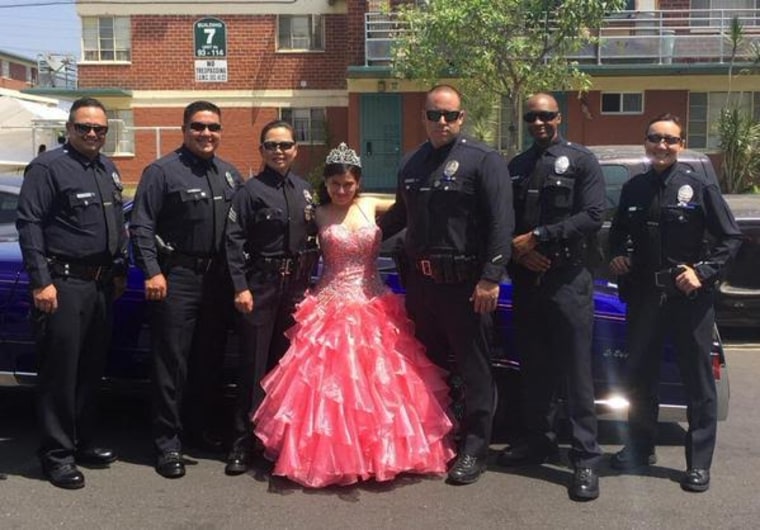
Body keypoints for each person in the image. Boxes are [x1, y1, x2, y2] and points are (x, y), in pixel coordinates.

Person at [251, 143, 455, 488]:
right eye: (335, 185)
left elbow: (419, 205)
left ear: (357, 182)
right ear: (326, 185)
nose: (342, 190)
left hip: (374, 302)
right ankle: (329, 457)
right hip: (330, 303)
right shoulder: (317, 214)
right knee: (328, 389)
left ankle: (384, 454)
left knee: (383, 385)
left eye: (347, 184)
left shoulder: (372, 203)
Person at [379, 84, 513, 485]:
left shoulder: (483, 160)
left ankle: (475, 448)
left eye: (450, 115)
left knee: (475, 371)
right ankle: (437, 441)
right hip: (422, 288)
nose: (442, 122)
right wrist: (354, 233)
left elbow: (501, 224)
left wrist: (491, 277)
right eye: (434, 114)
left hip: (466, 287)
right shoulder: (412, 163)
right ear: (423, 117)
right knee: (430, 369)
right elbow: (399, 217)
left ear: (462, 117)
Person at [607, 114, 741, 493]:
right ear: (645, 142)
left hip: (689, 300)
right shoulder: (634, 189)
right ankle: (639, 447)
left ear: (680, 144)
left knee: (697, 383)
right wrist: (618, 254)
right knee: (640, 379)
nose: (661, 146)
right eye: (655, 139)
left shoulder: (698, 187)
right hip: (645, 298)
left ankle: (698, 463)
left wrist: (703, 271)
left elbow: (729, 239)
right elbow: (618, 233)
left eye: (670, 140)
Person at [497, 93, 605, 502]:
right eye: (531, 117)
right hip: (529, 281)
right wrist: (520, 256)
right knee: (535, 369)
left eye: (546, 115)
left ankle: (584, 459)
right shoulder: (517, 166)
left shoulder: (581, 161)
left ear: (559, 117)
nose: (539, 122)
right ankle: (538, 442)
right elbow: (505, 223)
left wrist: (541, 237)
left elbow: (593, 215)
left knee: (576, 373)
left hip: (568, 280)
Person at [16, 96, 128, 489]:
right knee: (59, 374)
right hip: (62, 284)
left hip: (98, 285)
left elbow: (117, 224)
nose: (93, 134)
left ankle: (81, 442)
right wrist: (40, 281)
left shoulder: (107, 168)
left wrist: (118, 269)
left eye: (100, 129)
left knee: (88, 370)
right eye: (85, 127)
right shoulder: (48, 168)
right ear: (69, 128)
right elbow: (29, 224)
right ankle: (56, 455)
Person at [129, 100, 242, 479]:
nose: (206, 133)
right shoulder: (161, 172)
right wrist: (152, 271)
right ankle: (167, 444)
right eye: (198, 126)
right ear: (184, 128)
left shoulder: (229, 174)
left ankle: (197, 430)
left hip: (218, 282)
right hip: (176, 278)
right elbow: (141, 226)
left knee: (207, 362)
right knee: (171, 365)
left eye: (213, 127)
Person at [223, 120, 318, 476]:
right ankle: (241, 444)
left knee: (286, 371)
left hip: (294, 289)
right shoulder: (249, 192)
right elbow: (232, 243)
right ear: (261, 150)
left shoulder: (306, 191)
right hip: (260, 287)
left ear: (296, 149)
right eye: (272, 145)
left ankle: (276, 442)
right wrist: (240, 287)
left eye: (286, 145)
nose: (280, 151)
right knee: (253, 369)